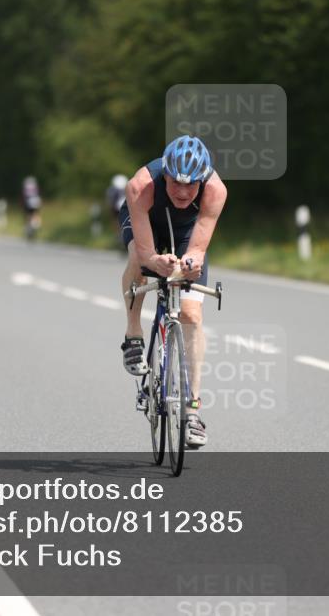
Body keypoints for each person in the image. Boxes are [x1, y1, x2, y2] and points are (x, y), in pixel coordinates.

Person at [118, 135, 227, 448]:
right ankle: (134, 333)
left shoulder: (216, 191)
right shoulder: (141, 186)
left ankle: (192, 409)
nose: (181, 191)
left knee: (192, 312)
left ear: (202, 180)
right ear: (164, 175)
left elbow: (197, 249)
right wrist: (156, 260)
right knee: (139, 263)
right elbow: (146, 252)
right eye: (174, 183)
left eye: (190, 185)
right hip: (147, 221)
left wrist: (188, 264)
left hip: (187, 231)